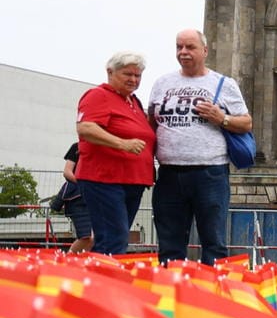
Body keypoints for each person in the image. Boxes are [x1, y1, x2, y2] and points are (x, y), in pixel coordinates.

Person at [147, 29, 252, 263]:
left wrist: (221, 118)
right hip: (169, 173)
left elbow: (246, 123)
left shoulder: (224, 84)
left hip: (210, 173)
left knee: (213, 242)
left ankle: (211, 295)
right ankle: (172, 291)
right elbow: (151, 124)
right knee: (169, 242)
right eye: (179, 47)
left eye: (190, 47)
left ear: (204, 51)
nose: (183, 52)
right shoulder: (162, 83)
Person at [73, 52, 156, 255]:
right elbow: (86, 128)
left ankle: (102, 280)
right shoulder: (98, 95)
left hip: (132, 181)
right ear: (110, 72)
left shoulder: (133, 102)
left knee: (115, 237)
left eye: (138, 76)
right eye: (128, 74)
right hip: (105, 179)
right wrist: (122, 144)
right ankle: (101, 282)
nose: (133, 80)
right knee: (113, 238)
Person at [59, 144, 92, 252]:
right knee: (86, 237)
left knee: (94, 238)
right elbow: (67, 172)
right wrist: (83, 184)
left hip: (95, 196)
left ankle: (86, 261)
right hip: (77, 198)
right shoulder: (77, 147)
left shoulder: (104, 147)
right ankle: (68, 260)